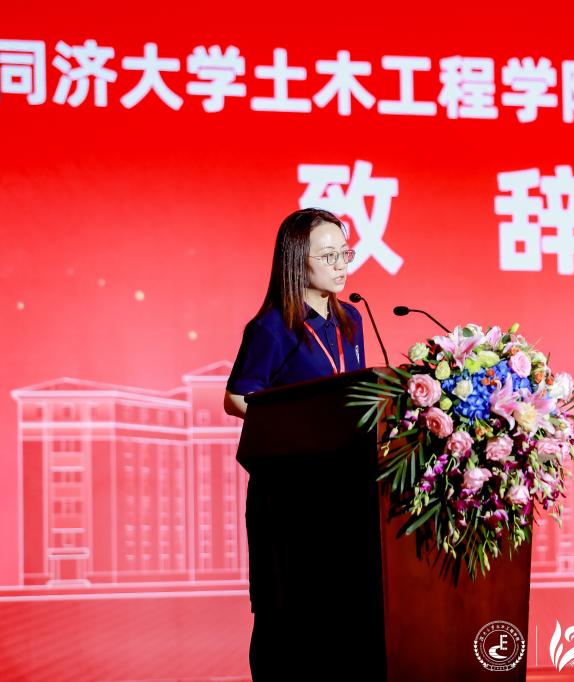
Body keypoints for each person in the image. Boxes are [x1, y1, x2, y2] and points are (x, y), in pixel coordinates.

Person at [223, 207, 366, 679]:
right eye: (328, 256)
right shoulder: (272, 326)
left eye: (344, 253)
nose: (341, 265)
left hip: (344, 488)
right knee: (287, 612)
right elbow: (237, 398)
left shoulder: (351, 319)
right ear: (295, 260)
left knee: (342, 609)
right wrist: (301, 427)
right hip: (288, 495)